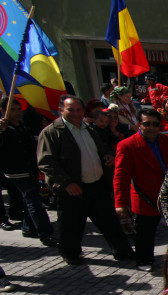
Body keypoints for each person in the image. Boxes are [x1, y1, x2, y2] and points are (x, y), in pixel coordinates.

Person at [37, 95, 134, 265]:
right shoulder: (52, 132)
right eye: (71, 110)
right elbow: (46, 162)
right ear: (61, 110)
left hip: (96, 184)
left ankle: (122, 251)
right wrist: (67, 183)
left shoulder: (89, 128)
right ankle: (70, 254)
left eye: (78, 110)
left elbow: (103, 148)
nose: (75, 113)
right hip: (72, 188)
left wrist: (109, 156)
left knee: (109, 221)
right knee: (71, 224)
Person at [113, 108, 168, 272]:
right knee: (145, 233)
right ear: (139, 124)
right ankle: (144, 260)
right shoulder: (127, 145)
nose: (151, 127)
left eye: (155, 124)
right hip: (145, 196)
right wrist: (120, 203)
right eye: (146, 123)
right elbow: (121, 176)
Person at [0, 97, 57, 247]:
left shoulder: (23, 126)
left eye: (18, 109)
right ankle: (46, 234)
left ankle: (28, 227)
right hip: (16, 171)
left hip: (30, 168)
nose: (17, 113)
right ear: (3, 111)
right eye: (12, 109)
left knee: (29, 199)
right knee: (34, 201)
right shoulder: (4, 129)